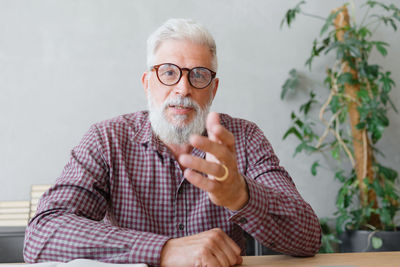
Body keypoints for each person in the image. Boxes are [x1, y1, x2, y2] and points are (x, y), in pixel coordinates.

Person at [24, 18, 321, 267]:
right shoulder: (107, 140)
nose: (183, 88)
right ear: (147, 83)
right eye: (168, 73)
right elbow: (41, 236)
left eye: (199, 75)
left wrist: (240, 196)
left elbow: (308, 238)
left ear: (213, 88)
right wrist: (163, 249)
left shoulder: (244, 138)